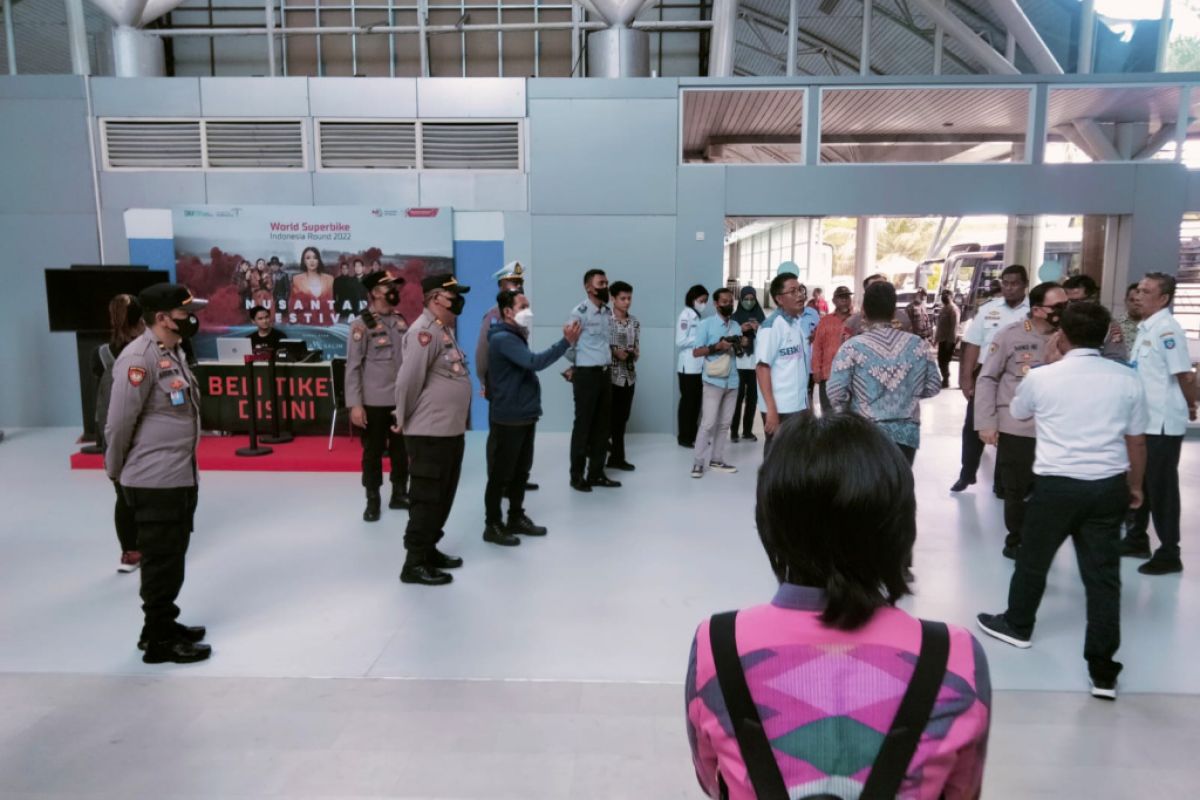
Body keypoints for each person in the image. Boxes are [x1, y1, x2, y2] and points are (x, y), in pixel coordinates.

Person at [687, 413, 991, 800]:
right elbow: (961, 791)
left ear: (771, 522)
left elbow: (713, 780)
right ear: (898, 523)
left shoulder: (718, 646)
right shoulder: (953, 655)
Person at [977, 302, 1147, 700]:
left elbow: (1018, 413)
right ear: (1106, 336)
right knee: (1103, 578)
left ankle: (1018, 626)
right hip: (1107, 486)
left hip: (1055, 487)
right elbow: (1136, 440)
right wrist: (1135, 486)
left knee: (1033, 561)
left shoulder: (1043, 377)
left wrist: (1049, 362)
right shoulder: (1126, 380)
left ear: (1061, 335)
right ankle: (1103, 671)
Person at [105, 283, 211, 664]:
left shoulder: (174, 351)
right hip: (153, 478)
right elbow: (118, 423)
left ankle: (163, 623)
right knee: (161, 561)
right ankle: (159, 642)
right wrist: (116, 470)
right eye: (184, 311)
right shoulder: (138, 358)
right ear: (163, 317)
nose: (191, 317)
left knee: (172, 555)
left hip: (178, 475)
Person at [974, 282, 1068, 559]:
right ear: (1038, 310)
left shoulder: (1070, 337)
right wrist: (986, 422)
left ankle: (1041, 541)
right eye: (1058, 307)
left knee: (1051, 491)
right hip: (1018, 427)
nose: (1065, 311)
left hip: (1056, 429)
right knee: (1017, 491)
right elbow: (988, 378)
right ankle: (1017, 541)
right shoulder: (1010, 336)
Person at [482, 290, 581, 547]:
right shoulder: (504, 338)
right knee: (501, 475)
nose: (529, 311)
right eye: (523, 306)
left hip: (524, 415)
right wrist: (565, 342)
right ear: (507, 311)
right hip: (509, 417)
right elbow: (534, 362)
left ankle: (515, 516)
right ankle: (492, 524)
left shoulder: (516, 336)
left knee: (520, 473)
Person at [392, 274, 472, 586]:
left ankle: (429, 549)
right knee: (426, 498)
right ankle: (413, 563)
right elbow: (407, 381)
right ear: (436, 298)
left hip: (448, 431)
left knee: (444, 495)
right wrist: (402, 418)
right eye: (454, 296)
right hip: (429, 433)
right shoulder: (423, 333)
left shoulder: (443, 330)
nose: (458, 302)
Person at [1122, 272, 1197, 575]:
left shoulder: (1168, 330)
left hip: (1162, 423)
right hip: (1144, 421)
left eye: (1146, 291)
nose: (1138, 295)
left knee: (1161, 487)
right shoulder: (1146, 328)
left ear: (1163, 298)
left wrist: (1191, 403)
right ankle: (1137, 539)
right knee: (1141, 482)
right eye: (1138, 289)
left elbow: (1185, 375)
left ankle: (1169, 552)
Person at [827, 282, 942, 465]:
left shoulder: (852, 347)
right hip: (906, 435)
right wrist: (906, 394)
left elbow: (835, 392)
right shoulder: (918, 345)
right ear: (894, 310)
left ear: (863, 310)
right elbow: (934, 386)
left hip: (865, 435)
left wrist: (849, 415)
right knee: (899, 488)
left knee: (867, 491)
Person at [952, 264, 1030, 493]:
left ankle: (1002, 481)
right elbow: (973, 344)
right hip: (987, 372)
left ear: (1025, 285)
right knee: (974, 424)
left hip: (1020, 375)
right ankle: (967, 474)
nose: (1009, 288)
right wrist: (966, 379)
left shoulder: (1032, 310)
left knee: (1010, 428)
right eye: (1005, 283)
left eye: (1014, 283)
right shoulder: (988, 309)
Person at [346, 272, 410, 522]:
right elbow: (352, 366)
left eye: (395, 285)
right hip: (373, 402)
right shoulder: (361, 325)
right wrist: (355, 404)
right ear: (374, 292)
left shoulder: (400, 320)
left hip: (400, 399)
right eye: (387, 286)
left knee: (401, 450)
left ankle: (399, 493)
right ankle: (372, 499)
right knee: (372, 453)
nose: (393, 290)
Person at [93, 293, 146, 574]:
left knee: (122, 492)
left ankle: (130, 551)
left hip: (111, 433)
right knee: (145, 491)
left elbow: (99, 395)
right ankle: (147, 547)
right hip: (140, 432)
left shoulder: (100, 353)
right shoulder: (149, 350)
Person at [565, 269, 620, 492]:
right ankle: (577, 476)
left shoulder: (608, 313)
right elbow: (568, 345)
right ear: (589, 288)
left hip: (605, 374)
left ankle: (596, 473)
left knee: (602, 427)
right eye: (601, 283)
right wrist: (577, 365)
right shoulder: (579, 312)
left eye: (607, 282)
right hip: (586, 375)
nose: (606, 286)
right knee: (583, 427)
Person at [689, 288, 745, 478]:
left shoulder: (736, 326)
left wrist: (741, 344)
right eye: (724, 301)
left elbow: (740, 353)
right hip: (713, 380)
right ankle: (698, 463)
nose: (729, 304)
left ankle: (717, 459)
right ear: (716, 304)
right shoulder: (706, 325)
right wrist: (717, 346)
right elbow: (696, 352)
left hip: (733, 380)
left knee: (724, 424)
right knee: (708, 423)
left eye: (731, 301)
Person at [756, 273, 811, 454]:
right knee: (777, 457)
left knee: (795, 457)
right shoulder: (772, 327)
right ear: (779, 299)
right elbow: (762, 368)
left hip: (798, 405)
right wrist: (771, 409)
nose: (800, 295)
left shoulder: (796, 324)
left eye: (800, 289)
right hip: (781, 407)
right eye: (792, 291)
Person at [474, 261, 526, 397]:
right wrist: (484, 381)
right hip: (500, 381)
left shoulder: (521, 314)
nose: (519, 286)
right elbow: (483, 352)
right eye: (514, 282)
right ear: (502, 286)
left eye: (520, 282)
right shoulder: (494, 315)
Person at [607, 280, 639, 471]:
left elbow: (637, 348)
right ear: (613, 298)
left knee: (622, 420)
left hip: (629, 376)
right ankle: (600, 454)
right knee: (607, 420)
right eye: (622, 298)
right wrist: (614, 351)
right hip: (609, 378)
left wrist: (633, 353)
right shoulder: (604, 320)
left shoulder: (634, 322)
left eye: (629, 298)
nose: (626, 302)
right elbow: (598, 347)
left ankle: (617, 458)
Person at [1060, 274, 1128, 360]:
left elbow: (1117, 358)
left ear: (1093, 298)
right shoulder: (1060, 321)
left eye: (1079, 300)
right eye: (1070, 301)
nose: (1074, 305)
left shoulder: (1108, 324)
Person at [809, 285, 853, 414]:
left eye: (847, 297)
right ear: (834, 301)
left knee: (849, 415)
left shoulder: (856, 320)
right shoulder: (825, 321)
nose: (844, 300)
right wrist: (816, 369)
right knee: (829, 414)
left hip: (852, 376)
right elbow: (817, 346)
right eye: (841, 297)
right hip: (828, 375)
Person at [676, 284, 709, 448]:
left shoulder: (697, 316)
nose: (703, 304)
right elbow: (680, 341)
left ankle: (694, 434)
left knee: (696, 402)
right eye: (701, 300)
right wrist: (700, 340)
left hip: (698, 367)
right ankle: (684, 437)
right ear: (692, 299)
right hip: (687, 367)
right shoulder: (685, 315)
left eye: (705, 301)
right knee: (688, 403)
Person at [730, 286, 764, 441]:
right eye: (746, 299)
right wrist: (739, 330)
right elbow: (728, 339)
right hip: (738, 363)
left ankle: (747, 431)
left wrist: (758, 330)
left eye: (752, 299)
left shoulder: (761, 317)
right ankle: (734, 431)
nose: (749, 302)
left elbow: (768, 339)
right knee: (737, 398)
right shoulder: (734, 318)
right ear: (741, 300)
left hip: (755, 364)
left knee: (752, 398)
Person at [844, 273, 913, 336]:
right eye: (875, 288)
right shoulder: (852, 322)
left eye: (885, 287)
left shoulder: (904, 319)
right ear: (866, 295)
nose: (881, 291)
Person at [290, 246, 335, 322]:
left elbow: (332, 304)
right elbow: (292, 306)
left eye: (315, 258)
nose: (312, 261)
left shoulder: (329, 279)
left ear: (318, 260)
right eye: (308, 258)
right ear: (304, 261)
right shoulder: (296, 280)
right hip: (304, 323)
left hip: (326, 322)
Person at [935, 290, 960, 388]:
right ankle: (945, 378)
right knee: (941, 360)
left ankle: (946, 380)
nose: (944, 296)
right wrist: (936, 339)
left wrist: (950, 342)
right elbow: (940, 326)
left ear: (952, 296)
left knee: (944, 361)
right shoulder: (944, 309)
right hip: (942, 339)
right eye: (943, 294)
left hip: (948, 340)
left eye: (947, 294)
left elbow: (954, 327)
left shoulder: (953, 309)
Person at [333, 258, 368, 322]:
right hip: (349, 309)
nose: (357, 268)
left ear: (363, 267)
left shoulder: (368, 279)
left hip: (364, 308)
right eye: (356, 266)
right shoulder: (350, 280)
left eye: (359, 266)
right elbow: (335, 295)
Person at [1116, 282, 1142, 346]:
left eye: (1139, 300)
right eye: (1132, 300)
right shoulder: (1115, 324)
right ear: (1125, 301)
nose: (1135, 304)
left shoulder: (1152, 325)